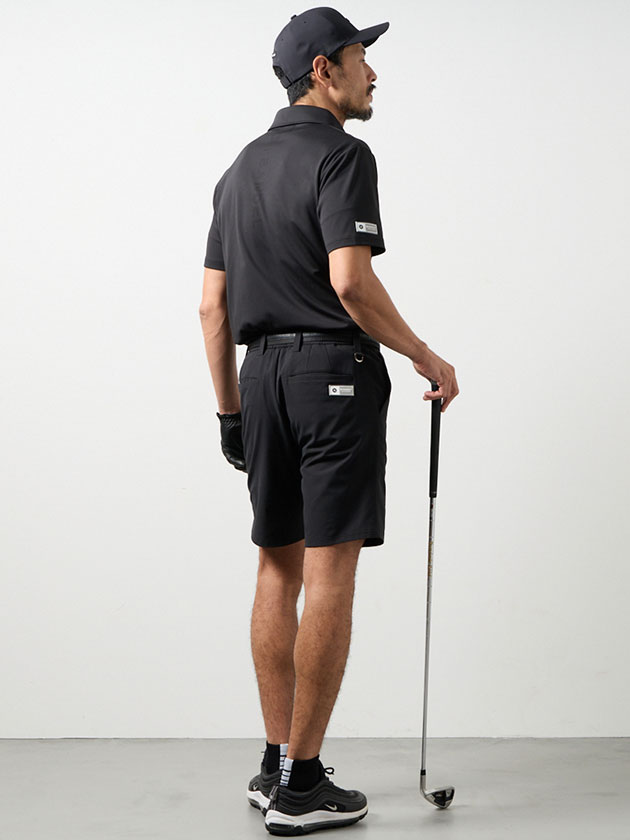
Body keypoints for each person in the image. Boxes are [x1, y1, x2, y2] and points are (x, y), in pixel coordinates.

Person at [199, 7, 459, 834]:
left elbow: (212, 308)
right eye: (359, 57)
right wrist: (424, 354)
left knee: (276, 569)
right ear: (323, 69)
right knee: (330, 572)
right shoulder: (344, 154)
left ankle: (275, 762)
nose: (372, 73)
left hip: (260, 378)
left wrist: (230, 414)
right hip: (331, 377)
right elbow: (350, 283)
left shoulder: (238, 169)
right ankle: (303, 786)